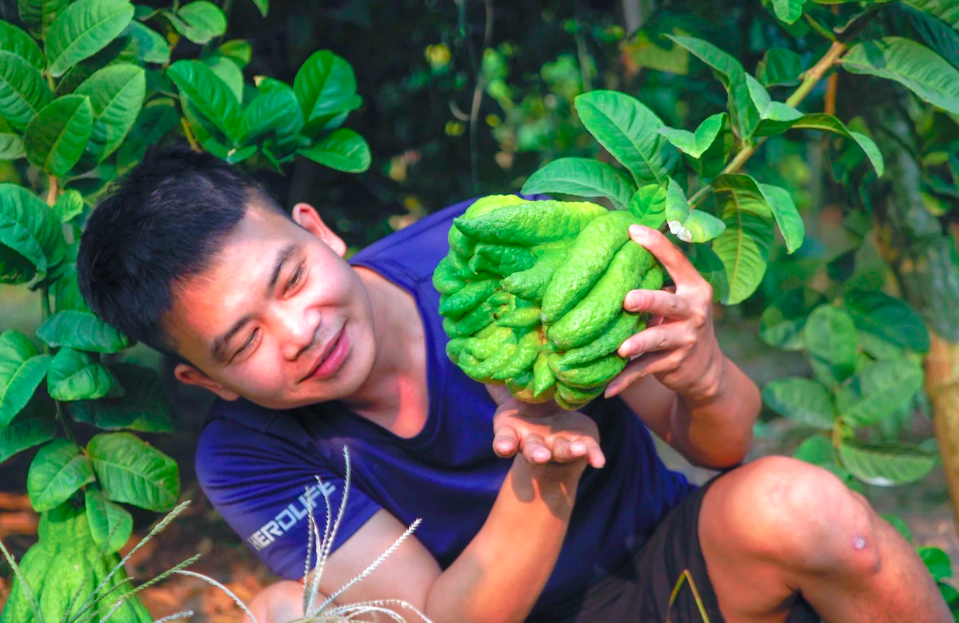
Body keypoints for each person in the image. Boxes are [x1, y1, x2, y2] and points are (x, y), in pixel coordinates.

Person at [78, 145, 949, 623]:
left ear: (318, 232)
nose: (298, 330)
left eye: (290, 280)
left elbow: (718, 443)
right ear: (207, 379)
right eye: (244, 341)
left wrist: (700, 367)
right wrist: (547, 469)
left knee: (805, 506)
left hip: (670, 560)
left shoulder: (486, 255)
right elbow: (436, 618)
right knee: (280, 616)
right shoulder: (248, 454)